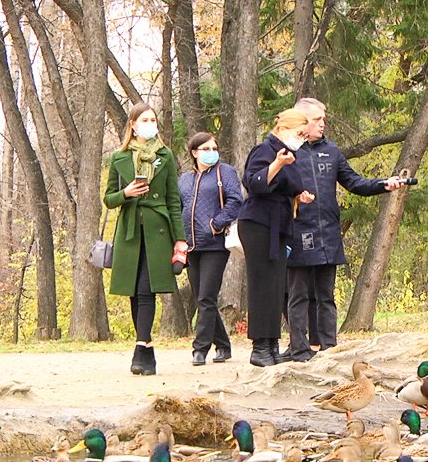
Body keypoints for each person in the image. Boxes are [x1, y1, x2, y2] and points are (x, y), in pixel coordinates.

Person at [285, 98, 401, 362]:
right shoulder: (287, 151)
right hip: (298, 231)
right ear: (302, 120)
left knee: (326, 295)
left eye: (324, 119)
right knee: (298, 295)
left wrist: (384, 184)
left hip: (327, 232)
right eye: (317, 120)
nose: (322, 124)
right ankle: (299, 350)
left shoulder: (332, 151)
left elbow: (354, 182)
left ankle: (329, 348)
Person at [104, 102, 186, 375]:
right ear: (133, 125)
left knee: (146, 289)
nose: (150, 124)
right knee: (133, 291)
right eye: (145, 120)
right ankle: (146, 349)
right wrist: (126, 192)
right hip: (129, 232)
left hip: (158, 232)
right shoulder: (119, 157)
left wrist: (180, 240)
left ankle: (142, 347)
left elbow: (174, 201)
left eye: (153, 119)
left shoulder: (166, 156)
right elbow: (108, 199)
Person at [240, 108, 316, 367]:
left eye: (305, 136)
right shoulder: (264, 150)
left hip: (280, 225)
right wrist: (277, 164)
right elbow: (254, 184)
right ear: (283, 128)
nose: (302, 139)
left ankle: (272, 344)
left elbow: (290, 185)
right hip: (259, 224)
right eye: (299, 134)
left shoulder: (291, 155)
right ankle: (259, 347)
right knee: (262, 284)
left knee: (276, 287)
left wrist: (299, 196)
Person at [178, 132, 242, 366]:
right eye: (205, 148)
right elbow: (177, 207)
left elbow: (236, 201)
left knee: (206, 296)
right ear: (195, 153)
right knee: (202, 298)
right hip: (191, 246)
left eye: (214, 148)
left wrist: (216, 223)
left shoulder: (225, 173)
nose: (211, 152)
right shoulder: (185, 179)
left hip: (215, 244)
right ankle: (223, 345)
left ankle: (200, 348)